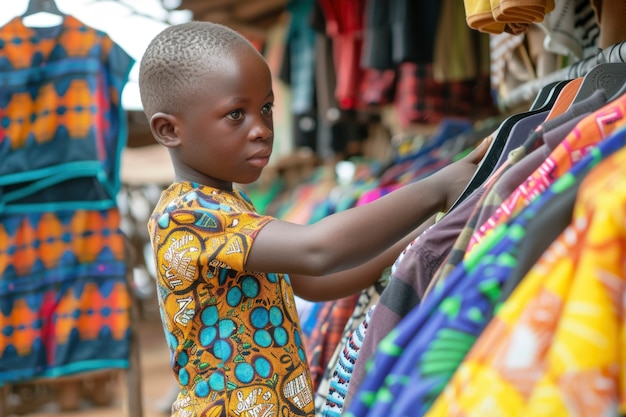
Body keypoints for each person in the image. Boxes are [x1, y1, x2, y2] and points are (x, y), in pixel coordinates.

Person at [138, 20, 489, 417]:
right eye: (236, 114)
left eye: (266, 108)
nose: (262, 130)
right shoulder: (186, 217)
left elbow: (314, 282)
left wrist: (427, 234)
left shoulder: (232, 206)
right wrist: (437, 188)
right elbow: (317, 251)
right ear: (170, 130)